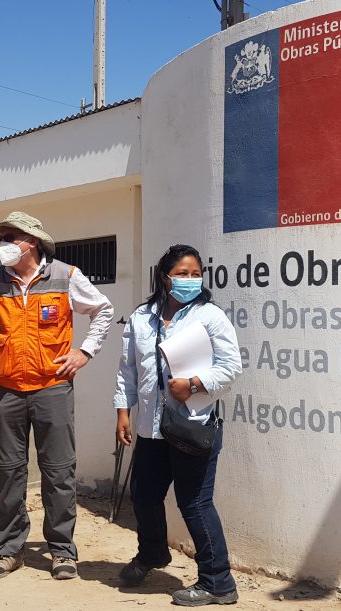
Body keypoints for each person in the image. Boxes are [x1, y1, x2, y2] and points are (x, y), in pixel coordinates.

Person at [0, 211, 114, 581]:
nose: (3, 244)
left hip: (52, 387)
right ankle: (9, 549)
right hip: (6, 390)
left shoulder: (65, 276)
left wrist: (85, 351)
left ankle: (62, 551)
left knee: (58, 471)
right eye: (1, 238)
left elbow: (103, 310)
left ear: (32, 241)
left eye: (10, 237)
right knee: (9, 471)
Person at [113, 244, 242, 607]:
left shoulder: (210, 316)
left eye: (195, 273)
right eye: (182, 273)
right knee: (144, 495)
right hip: (151, 428)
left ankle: (218, 583)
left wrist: (195, 385)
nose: (190, 280)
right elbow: (128, 369)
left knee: (195, 504)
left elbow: (231, 369)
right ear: (164, 276)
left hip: (192, 426)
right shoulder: (142, 317)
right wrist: (123, 411)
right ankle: (153, 554)